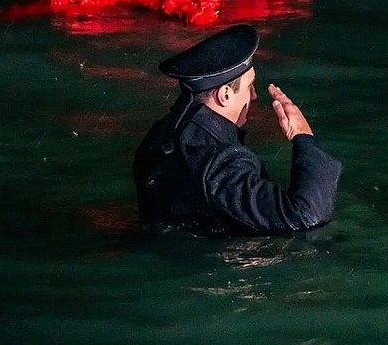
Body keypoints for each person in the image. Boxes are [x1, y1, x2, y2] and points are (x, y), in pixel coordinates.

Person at [133, 24, 342, 234]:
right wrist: (303, 136)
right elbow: (306, 216)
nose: (254, 96)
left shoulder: (161, 134)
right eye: (249, 86)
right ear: (224, 95)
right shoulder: (219, 163)